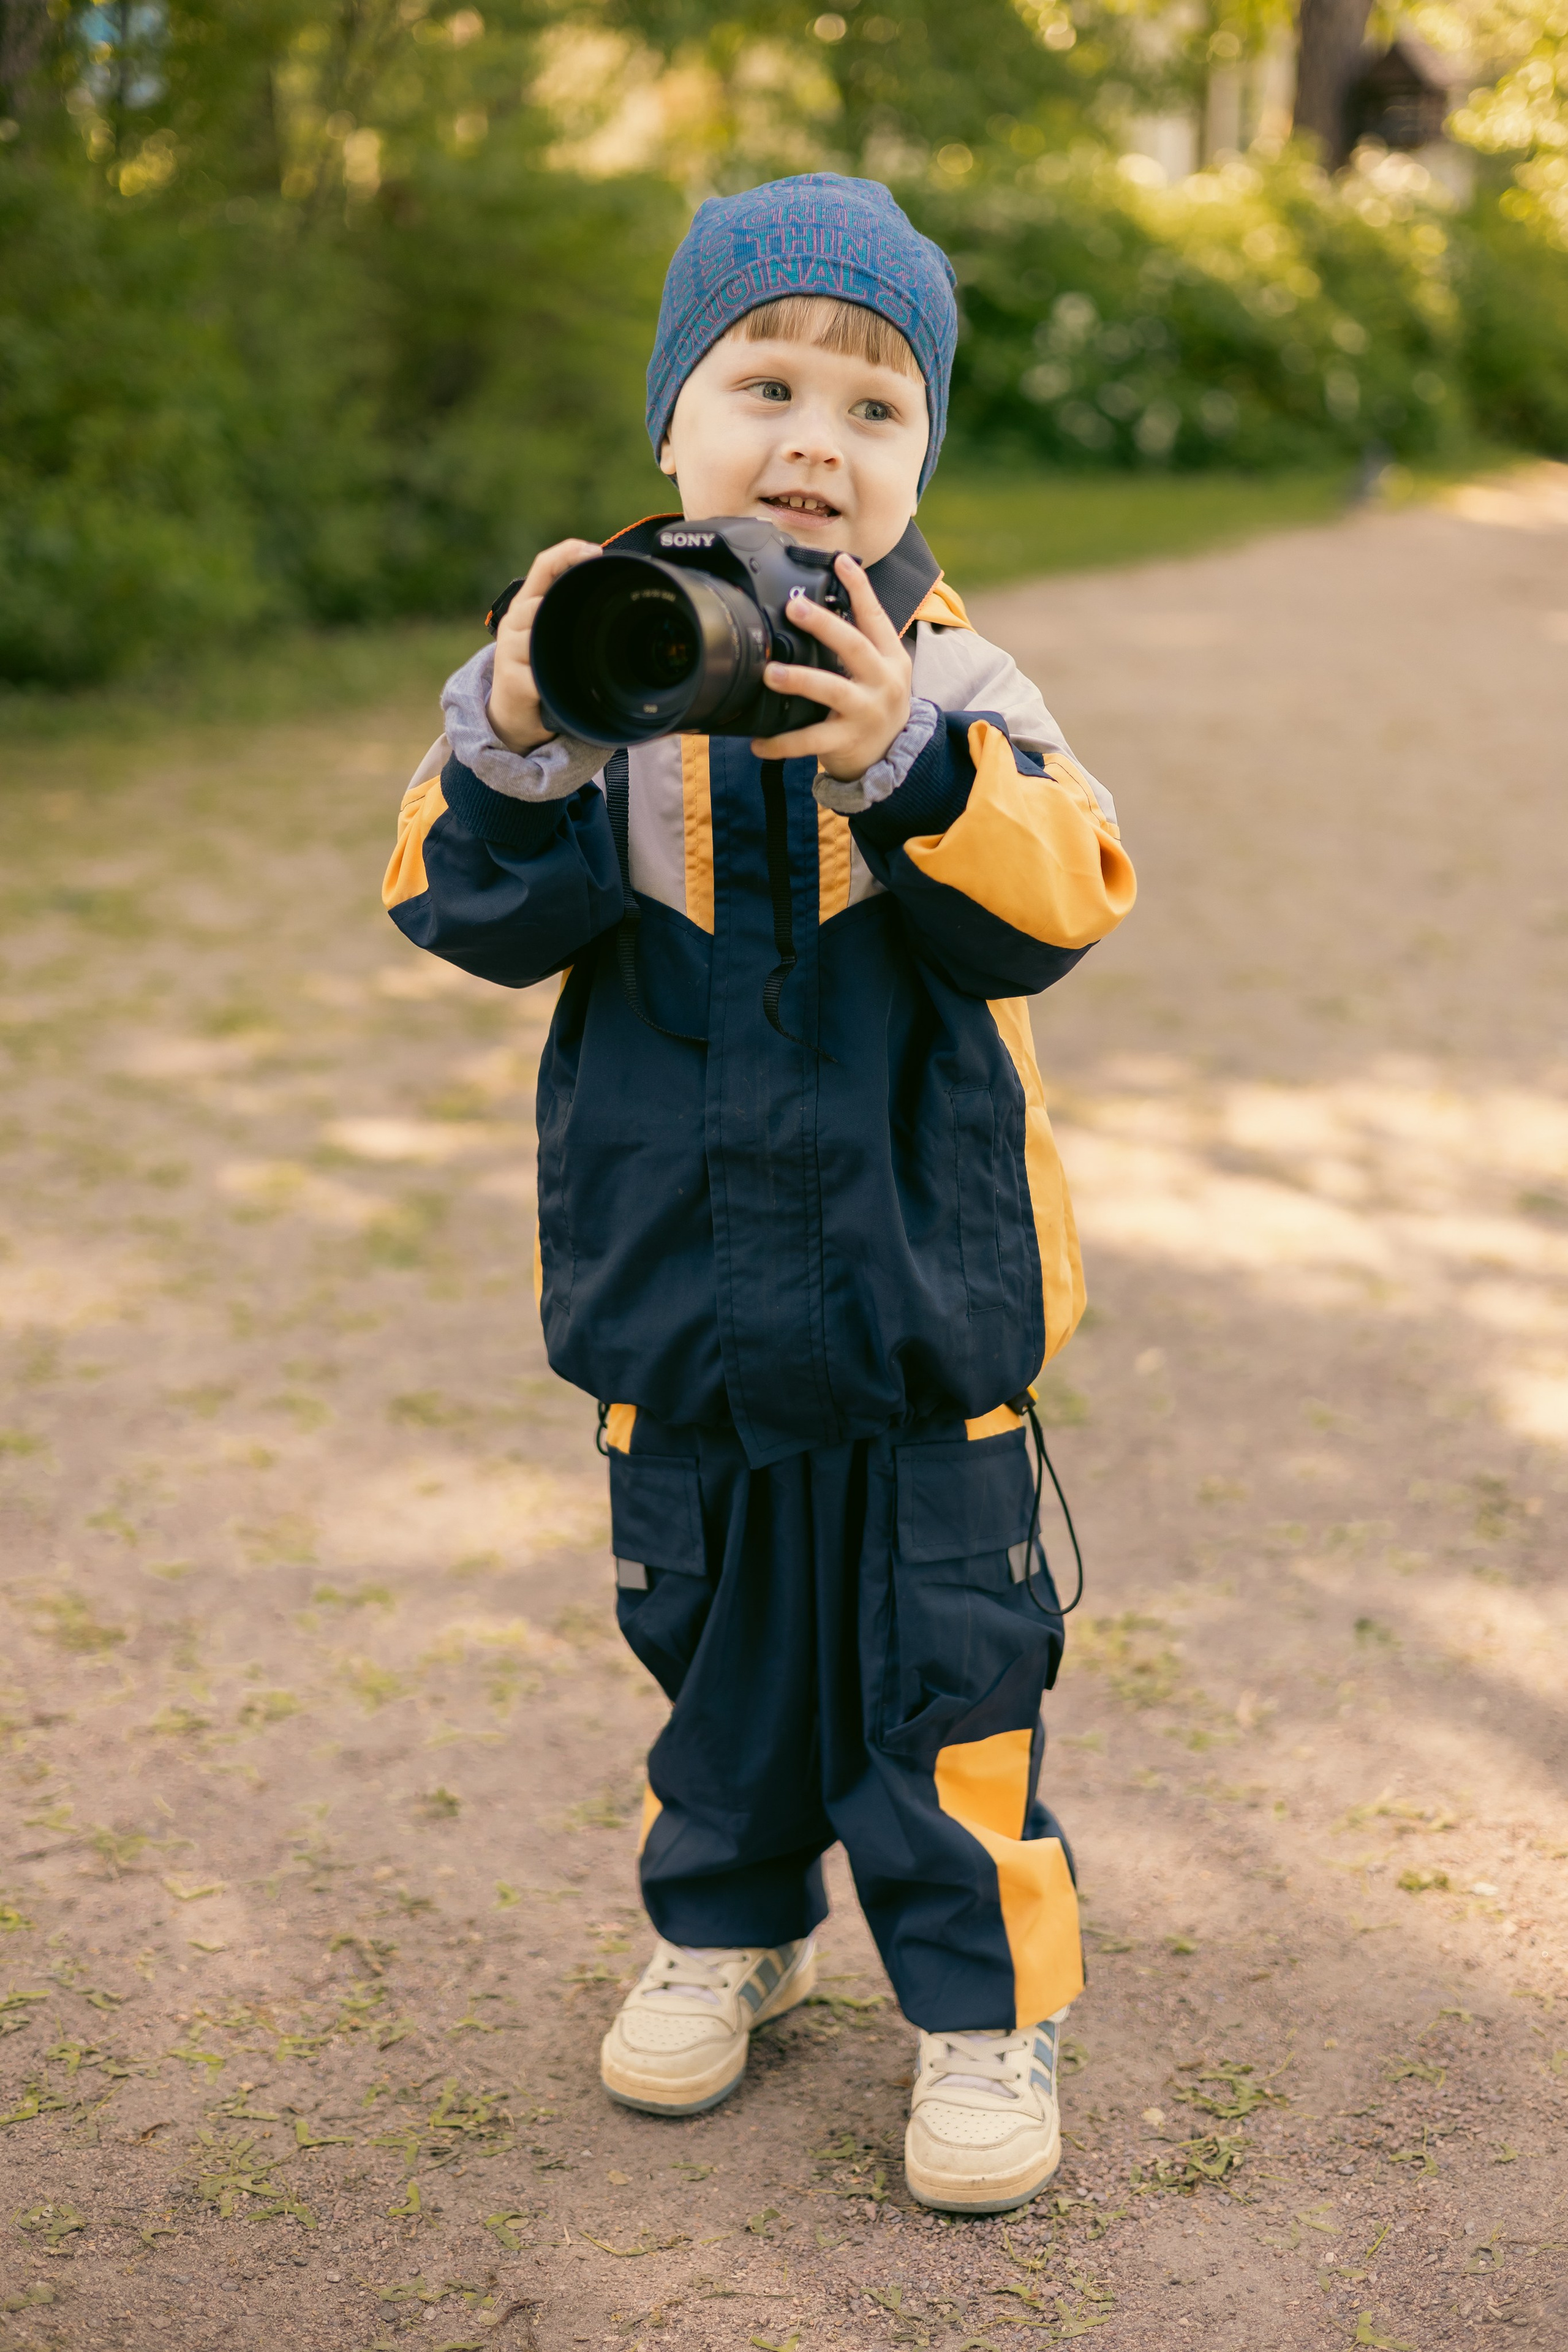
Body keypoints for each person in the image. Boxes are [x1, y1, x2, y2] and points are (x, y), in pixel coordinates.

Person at [382, 173, 1135, 2215]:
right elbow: (455, 908)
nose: (818, 439)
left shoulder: (961, 681)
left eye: (878, 410)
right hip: (685, 1297)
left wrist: (907, 763)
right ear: (671, 424)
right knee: (711, 1656)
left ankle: (985, 2010)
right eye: (766, 383)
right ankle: (728, 1927)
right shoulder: (592, 663)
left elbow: (1067, 902)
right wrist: (526, 723)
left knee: (946, 1674)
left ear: (919, 465)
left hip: (916, 1310)